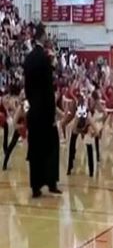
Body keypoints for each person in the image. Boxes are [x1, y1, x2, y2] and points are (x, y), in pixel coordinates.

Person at [22, 27, 61, 198]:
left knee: (35, 148)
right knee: (52, 146)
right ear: (42, 36)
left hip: (33, 110)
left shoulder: (28, 59)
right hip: (45, 111)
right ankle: (51, 182)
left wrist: (29, 108)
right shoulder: (45, 59)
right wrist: (52, 114)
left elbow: (27, 88)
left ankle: (35, 186)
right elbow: (48, 90)